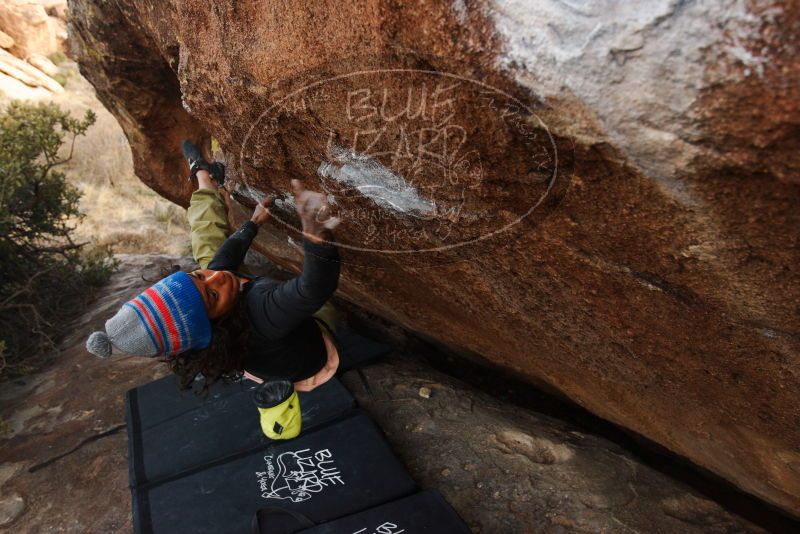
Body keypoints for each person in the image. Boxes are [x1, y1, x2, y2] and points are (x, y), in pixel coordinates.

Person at [86, 140, 343, 439]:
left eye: (196, 277)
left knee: (210, 258)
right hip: (314, 356)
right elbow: (314, 289)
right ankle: (204, 188)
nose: (216, 279)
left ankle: (203, 178)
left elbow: (220, 265)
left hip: (257, 353)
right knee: (225, 271)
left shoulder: (211, 311)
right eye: (211, 294)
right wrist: (316, 236)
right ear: (213, 325)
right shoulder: (260, 311)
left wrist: (252, 224)